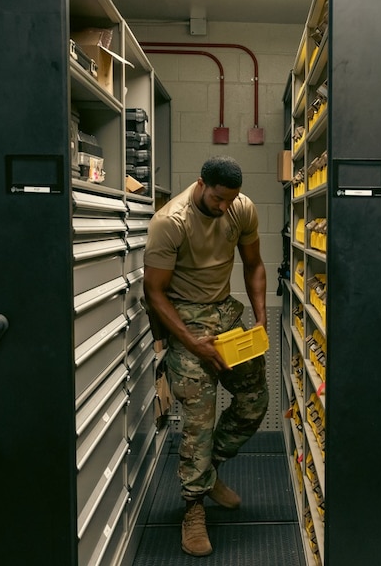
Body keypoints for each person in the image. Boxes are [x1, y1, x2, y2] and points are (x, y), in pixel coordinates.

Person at [143, 155, 269, 557]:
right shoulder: (170, 222)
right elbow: (154, 292)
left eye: (230, 200)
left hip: (225, 313)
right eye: (217, 199)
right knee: (200, 417)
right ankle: (193, 508)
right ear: (201, 184)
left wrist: (260, 321)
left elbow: (254, 265)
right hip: (185, 319)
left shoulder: (240, 208)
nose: (224, 207)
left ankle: (208, 468)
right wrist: (191, 342)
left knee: (254, 401)